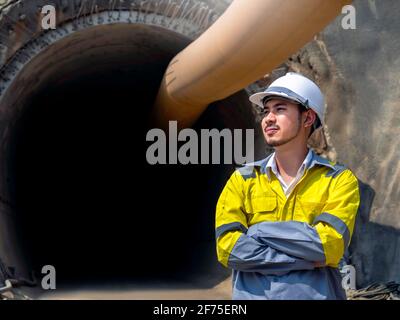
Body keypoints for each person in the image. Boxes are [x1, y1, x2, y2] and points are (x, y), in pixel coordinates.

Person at [215, 72, 360, 300]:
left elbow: (328, 245)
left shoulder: (338, 180)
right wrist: (306, 258)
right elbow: (228, 249)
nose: (268, 118)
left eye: (280, 109)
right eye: (266, 111)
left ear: (308, 118)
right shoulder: (242, 180)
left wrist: (256, 232)